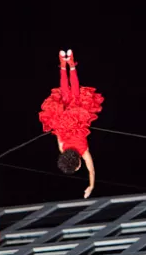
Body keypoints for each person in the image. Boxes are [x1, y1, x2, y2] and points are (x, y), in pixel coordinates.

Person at [38, 49, 103, 198]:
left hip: (78, 116)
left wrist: (91, 186)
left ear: (78, 162)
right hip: (62, 119)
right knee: (66, 94)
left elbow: (91, 170)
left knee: (74, 93)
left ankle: (71, 63)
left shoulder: (84, 151)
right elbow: (57, 136)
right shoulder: (63, 149)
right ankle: (63, 62)